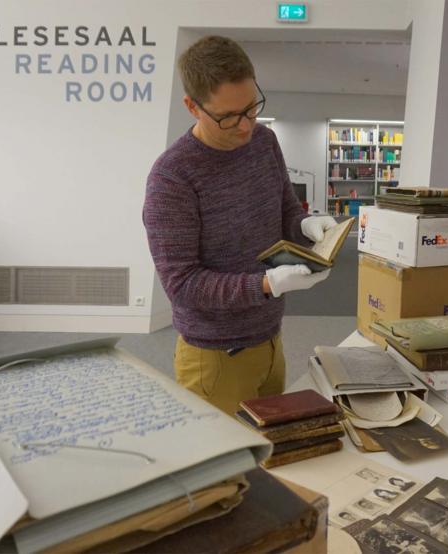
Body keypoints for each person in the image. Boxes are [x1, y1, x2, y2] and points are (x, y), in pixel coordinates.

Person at [143, 36, 336, 416]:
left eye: (251, 108)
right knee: (226, 473)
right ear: (192, 107)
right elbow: (181, 284)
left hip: (269, 339)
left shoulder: (265, 141)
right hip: (214, 356)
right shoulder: (173, 177)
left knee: (271, 456)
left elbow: (286, 214)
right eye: (229, 117)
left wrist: (308, 226)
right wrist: (265, 284)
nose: (246, 126)